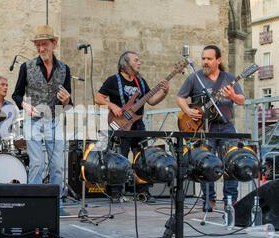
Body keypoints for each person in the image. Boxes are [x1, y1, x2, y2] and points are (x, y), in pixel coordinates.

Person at [12, 25, 72, 215]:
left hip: (55, 120)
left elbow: (69, 103)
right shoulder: (26, 67)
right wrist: (25, 106)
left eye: (44, 44)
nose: (41, 49)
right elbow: (16, 94)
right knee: (37, 162)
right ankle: (34, 203)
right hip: (34, 120)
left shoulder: (65, 69)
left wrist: (68, 100)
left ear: (54, 44)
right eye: (38, 45)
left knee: (57, 165)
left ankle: (57, 205)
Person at [177, 45, 245, 210]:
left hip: (226, 127)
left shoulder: (229, 78)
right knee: (206, 164)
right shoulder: (195, 78)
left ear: (218, 60)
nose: (205, 62)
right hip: (204, 128)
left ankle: (231, 200)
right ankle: (208, 199)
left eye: (209, 59)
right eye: (203, 59)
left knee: (231, 163)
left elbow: (242, 100)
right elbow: (180, 97)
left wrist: (232, 96)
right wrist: (188, 110)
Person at [95, 51, 169, 202]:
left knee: (142, 158)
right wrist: (112, 106)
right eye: (136, 60)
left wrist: (165, 92)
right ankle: (115, 192)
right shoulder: (113, 80)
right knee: (118, 158)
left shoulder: (140, 82)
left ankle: (142, 191)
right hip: (120, 124)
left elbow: (152, 101)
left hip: (138, 125)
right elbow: (98, 97)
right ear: (125, 64)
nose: (139, 63)